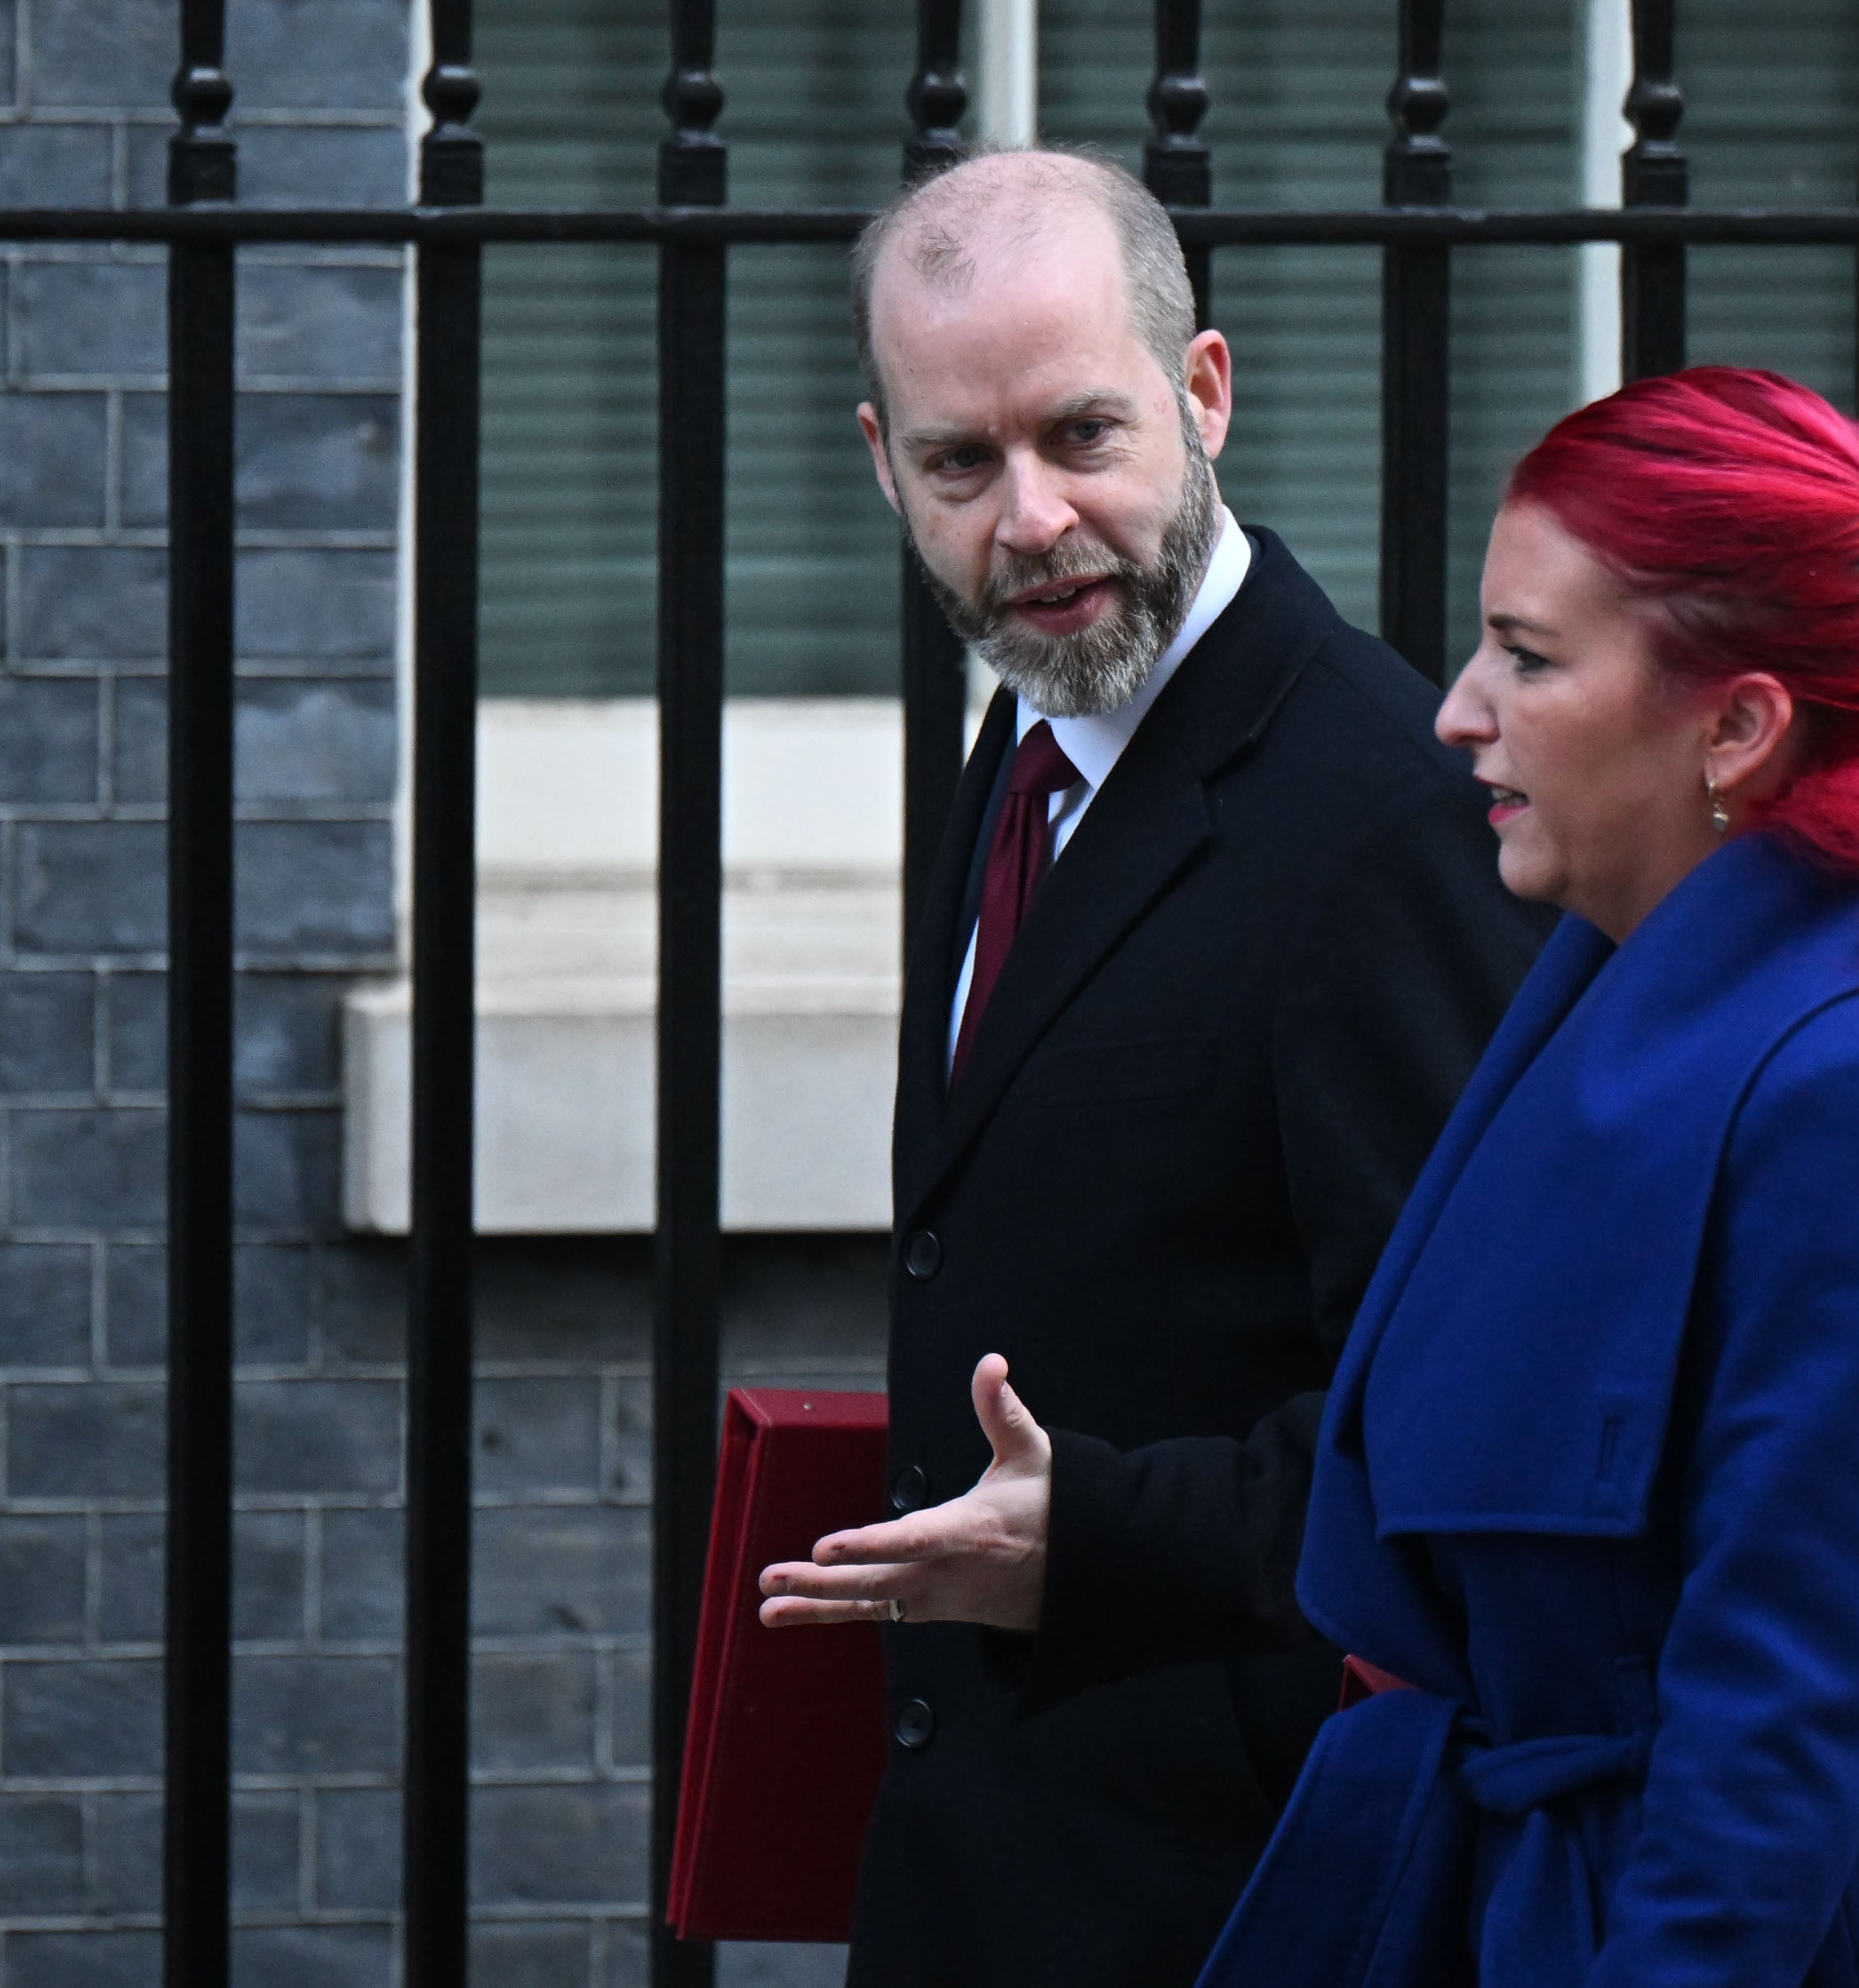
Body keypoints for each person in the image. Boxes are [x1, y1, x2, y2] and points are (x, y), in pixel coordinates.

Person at [1195, 368, 1859, 1988]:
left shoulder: (1857, 1102)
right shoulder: (1624, 994)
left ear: (1737, 724)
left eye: (1527, 654)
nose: (1455, 710)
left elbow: (1772, 1744)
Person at [751, 149, 1548, 1988]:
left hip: (1240, 1902)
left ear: (1205, 396)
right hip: (990, 1881)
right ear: (885, 463)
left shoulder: (1382, 819)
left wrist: (1096, 1539)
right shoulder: (1033, 732)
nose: (1030, 520)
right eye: (962, 464)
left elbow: (1457, 1424)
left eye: (1082, 436)